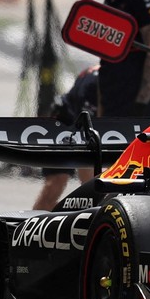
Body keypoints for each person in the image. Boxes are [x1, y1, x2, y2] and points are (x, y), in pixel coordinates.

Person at [32, 65, 100, 211]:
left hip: (86, 124)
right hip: (63, 123)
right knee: (55, 183)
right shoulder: (91, 87)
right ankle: (31, 226)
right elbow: (85, 144)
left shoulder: (125, 84)